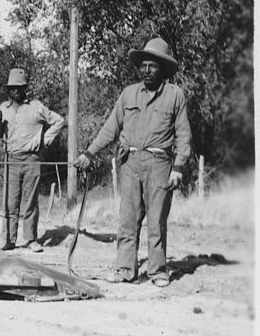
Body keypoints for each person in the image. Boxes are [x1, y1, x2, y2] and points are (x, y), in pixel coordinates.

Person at [74, 37, 191, 287]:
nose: (147, 71)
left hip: (160, 163)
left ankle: (158, 272)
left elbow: (183, 134)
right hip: (129, 163)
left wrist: (178, 168)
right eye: (143, 66)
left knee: (156, 221)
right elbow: (110, 128)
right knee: (127, 220)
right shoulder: (128, 94)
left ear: (163, 69)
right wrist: (89, 153)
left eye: (153, 66)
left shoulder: (175, 95)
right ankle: (125, 269)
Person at [0, 68, 65, 252]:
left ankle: (31, 239)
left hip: (32, 159)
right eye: (12, 88)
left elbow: (59, 121)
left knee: (30, 201)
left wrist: (44, 141)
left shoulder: (36, 107)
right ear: (8, 90)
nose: (15, 91)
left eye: (19, 87)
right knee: (10, 201)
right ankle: (9, 240)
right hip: (11, 160)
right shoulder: (3, 108)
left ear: (25, 88)